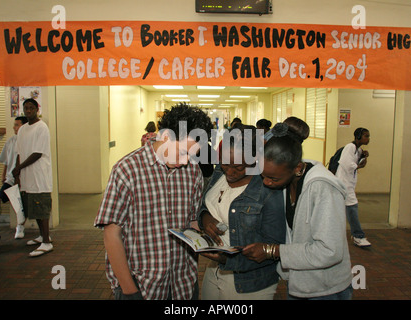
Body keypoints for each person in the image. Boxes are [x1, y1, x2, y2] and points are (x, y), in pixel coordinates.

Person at [94, 103, 213, 300]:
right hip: (141, 286)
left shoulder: (193, 171)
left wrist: (207, 243)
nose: (186, 162)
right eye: (183, 152)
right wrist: (129, 290)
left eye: (192, 155)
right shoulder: (127, 170)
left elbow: (191, 222)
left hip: (183, 284)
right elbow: (111, 235)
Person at [243, 123, 353, 300]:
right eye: (263, 176)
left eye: (273, 178)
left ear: (297, 168)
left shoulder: (323, 188)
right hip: (299, 283)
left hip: (326, 290)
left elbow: (330, 251)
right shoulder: (286, 183)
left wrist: (273, 251)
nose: (266, 183)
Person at [198, 125, 286, 300]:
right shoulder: (219, 172)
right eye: (225, 163)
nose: (229, 172)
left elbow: (274, 248)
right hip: (214, 270)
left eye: (238, 167)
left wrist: (227, 259)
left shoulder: (267, 191)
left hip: (249, 282)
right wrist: (205, 218)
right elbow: (206, 205)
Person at [12, 99, 53, 257]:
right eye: (26, 108)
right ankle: (43, 236)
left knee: (42, 210)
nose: (28, 111)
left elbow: (37, 153)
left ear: (37, 109)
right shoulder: (22, 130)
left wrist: (19, 168)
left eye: (31, 108)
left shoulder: (42, 127)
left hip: (39, 177)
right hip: (27, 177)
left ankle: (47, 243)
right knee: (33, 209)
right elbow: (19, 152)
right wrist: (17, 172)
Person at [336, 127, 371, 247]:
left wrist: (364, 155)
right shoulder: (350, 147)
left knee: (339, 208)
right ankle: (358, 236)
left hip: (348, 183)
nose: (368, 139)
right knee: (352, 207)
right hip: (343, 183)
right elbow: (346, 164)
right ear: (358, 137)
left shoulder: (358, 149)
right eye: (366, 136)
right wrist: (358, 165)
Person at [0, 116, 28, 239]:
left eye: (17, 125)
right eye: (14, 125)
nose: (14, 128)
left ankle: (20, 227)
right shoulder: (10, 141)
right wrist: (4, 174)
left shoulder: (27, 141)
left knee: (22, 205)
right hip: (11, 177)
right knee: (3, 195)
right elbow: (6, 161)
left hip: (24, 178)